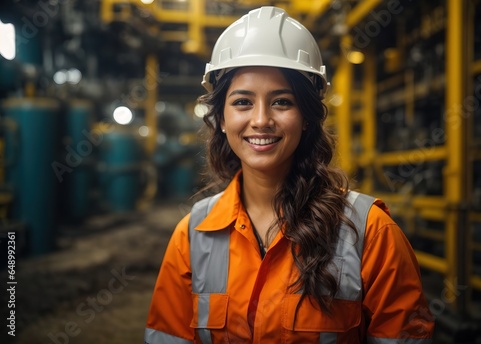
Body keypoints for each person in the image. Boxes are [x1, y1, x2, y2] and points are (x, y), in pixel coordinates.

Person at [145, 6, 434, 344]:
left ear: (307, 117)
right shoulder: (193, 235)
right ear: (221, 120)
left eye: (281, 102)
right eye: (242, 102)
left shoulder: (371, 233)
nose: (261, 119)